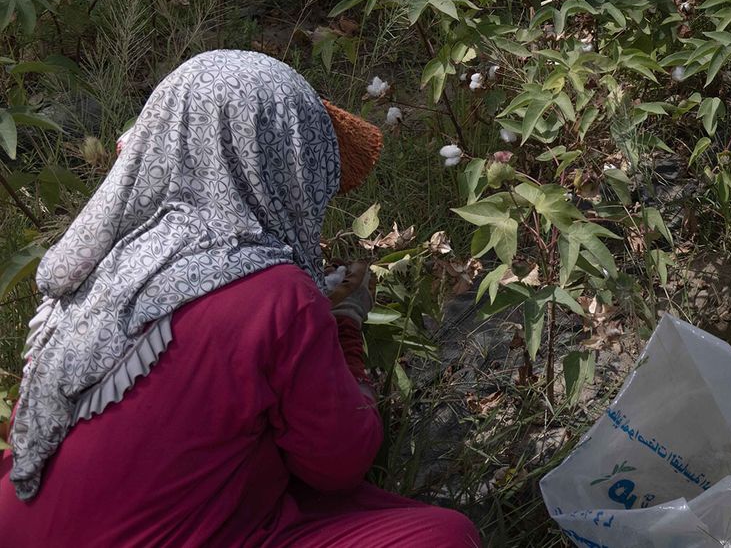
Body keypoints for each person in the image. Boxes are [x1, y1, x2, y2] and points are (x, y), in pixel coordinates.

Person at [0, 50, 479, 548]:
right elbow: (338, 463)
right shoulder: (276, 296)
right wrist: (345, 335)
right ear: (282, 164)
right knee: (444, 537)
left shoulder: (100, 260)